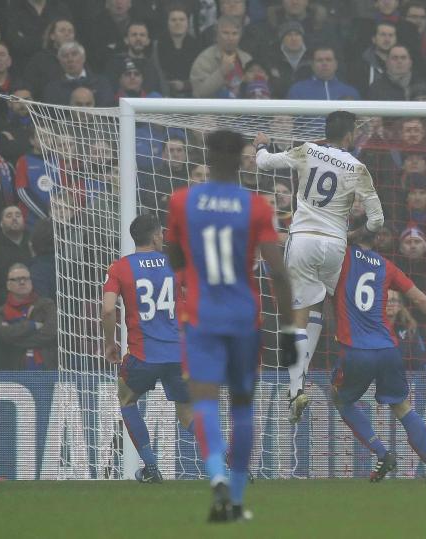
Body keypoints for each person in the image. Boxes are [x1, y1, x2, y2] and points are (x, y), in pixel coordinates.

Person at [166, 129, 297, 522]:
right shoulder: (255, 206)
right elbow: (278, 272)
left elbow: (173, 256)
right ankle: (237, 501)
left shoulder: (182, 201)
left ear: (206, 156)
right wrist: (290, 329)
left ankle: (216, 474)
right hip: (244, 316)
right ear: (242, 157)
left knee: (204, 401)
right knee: (242, 408)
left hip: (202, 314)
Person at [254, 110, 384, 423]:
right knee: (331, 309)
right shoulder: (357, 167)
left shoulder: (307, 150)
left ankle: (296, 387)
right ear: (350, 135)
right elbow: (378, 221)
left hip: (302, 240)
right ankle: (354, 375)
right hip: (335, 245)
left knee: (299, 315)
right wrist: (355, 233)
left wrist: (260, 145)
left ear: (325, 131)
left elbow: (264, 163)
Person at [330, 216, 426, 483]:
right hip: (388, 349)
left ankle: (382, 453)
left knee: (341, 399)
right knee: (402, 406)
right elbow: (419, 298)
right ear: (377, 239)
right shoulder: (386, 266)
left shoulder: (341, 257)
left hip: (355, 349)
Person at [102, 214, 193, 483]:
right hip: (178, 353)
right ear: (155, 236)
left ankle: (151, 467)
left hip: (143, 355)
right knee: (187, 412)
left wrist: (110, 343)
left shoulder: (119, 268)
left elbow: (108, 309)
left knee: (127, 400)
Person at [0, 263, 57, 369]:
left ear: (31, 282)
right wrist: (32, 326)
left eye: (25, 278)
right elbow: (2, 336)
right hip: (13, 370)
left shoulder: (47, 305)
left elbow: (50, 333)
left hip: (47, 368)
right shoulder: (0, 312)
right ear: (8, 285)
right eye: (16, 279)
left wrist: (15, 339)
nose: (22, 282)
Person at [0, 206, 33, 309]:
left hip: (36, 304)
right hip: (5, 307)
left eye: (18, 215)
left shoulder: (36, 244)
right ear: (1, 223)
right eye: (9, 216)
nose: (14, 218)